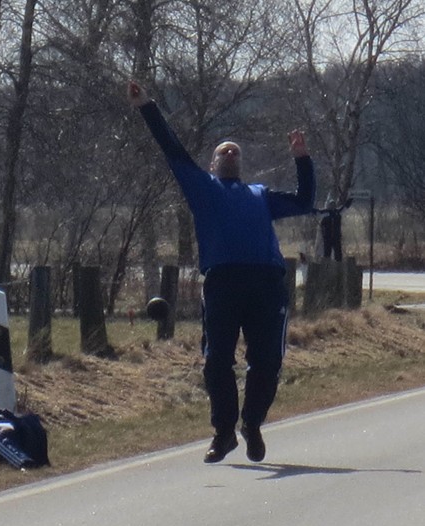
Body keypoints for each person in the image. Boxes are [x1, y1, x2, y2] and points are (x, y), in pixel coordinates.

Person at [127, 81, 316, 463]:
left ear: (240, 164)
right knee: (217, 360)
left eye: (235, 150)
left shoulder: (260, 195)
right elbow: (171, 147)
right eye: (222, 151)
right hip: (223, 284)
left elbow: (304, 201)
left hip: (266, 285)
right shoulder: (202, 188)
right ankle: (224, 432)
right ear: (212, 165)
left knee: (267, 362)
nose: (229, 152)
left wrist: (302, 159)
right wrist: (146, 105)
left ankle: (252, 424)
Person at [313, 196, 352, 262]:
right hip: (328, 237)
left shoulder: (338, 212)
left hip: (336, 237)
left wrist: (350, 199)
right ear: (328, 206)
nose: (332, 206)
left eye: (333, 205)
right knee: (327, 253)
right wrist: (309, 209)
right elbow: (317, 212)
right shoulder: (326, 213)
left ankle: (338, 266)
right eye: (331, 205)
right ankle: (326, 266)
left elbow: (345, 207)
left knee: (338, 253)